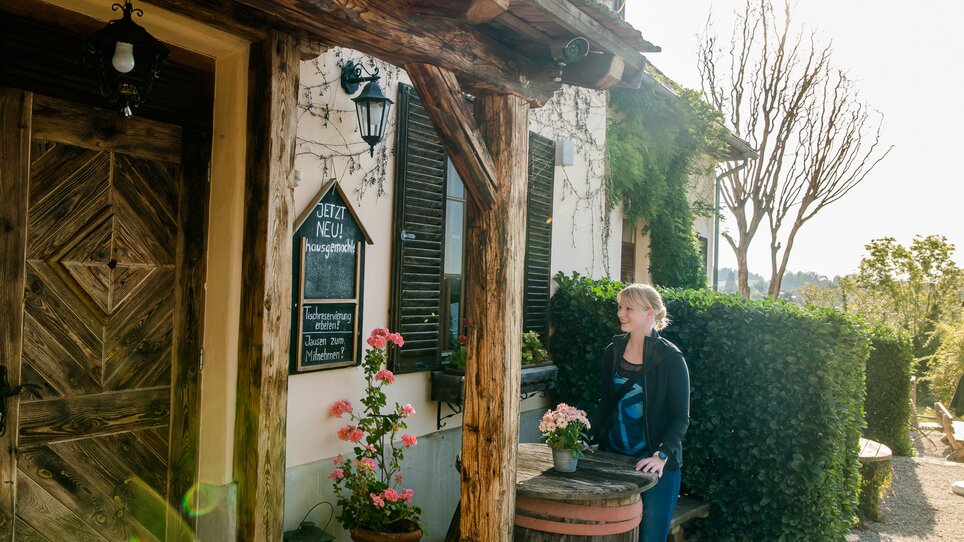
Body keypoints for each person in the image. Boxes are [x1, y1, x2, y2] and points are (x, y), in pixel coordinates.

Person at [590, 283, 690, 542]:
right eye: (620, 307)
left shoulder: (671, 358)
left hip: (655, 468)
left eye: (629, 308)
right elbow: (606, 403)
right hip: (613, 459)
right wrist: (582, 436)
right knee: (610, 536)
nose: (621, 314)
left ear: (649, 313)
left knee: (650, 538)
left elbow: (681, 417)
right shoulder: (612, 352)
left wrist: (661, 455)